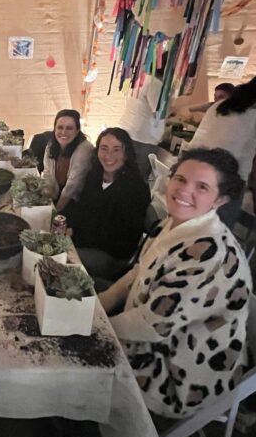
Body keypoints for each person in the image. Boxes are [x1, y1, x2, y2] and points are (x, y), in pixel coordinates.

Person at [99, 148, 251, 419]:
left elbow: (153, 325)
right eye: (180, 179)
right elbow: (137, 272)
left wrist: (94, 326)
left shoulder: (209, 252)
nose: (183, 190)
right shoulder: (172, 224)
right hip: (152, 333)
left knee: (71, 355)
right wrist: (99, 305)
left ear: (220, 200)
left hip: (176, 371)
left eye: (201, 187)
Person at [187, 70, 256, 231]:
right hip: (223, 185)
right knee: (207, 239)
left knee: (181, 232)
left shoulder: (221, 105)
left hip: (188, 174)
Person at [64, 128, 150, 289]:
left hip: (111, 257)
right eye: (104, 149)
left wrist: (75, 235)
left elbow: (122, 240)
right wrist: (69, 226)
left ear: (126, 154)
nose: (109, 156)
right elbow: (82, 208)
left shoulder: (136, 188)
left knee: (57, 258)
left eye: (117, 150)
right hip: (85, 241)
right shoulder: (95, 175)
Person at [42, 109, 95, 213]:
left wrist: (55, 213)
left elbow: (72, 186)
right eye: (60, 127)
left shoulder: (85, 149)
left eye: (69, 128)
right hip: (57, 194)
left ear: (77, 131)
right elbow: (47, 174)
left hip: (76, 202)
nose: (63, 132)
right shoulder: (51, 145)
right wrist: (45, 201)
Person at [118, 75, 167, 179]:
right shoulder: (154, 83)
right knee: (137, 178)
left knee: (123, 175)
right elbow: (158, 113)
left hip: (129, 131)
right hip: (143, 138)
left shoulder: (139, 77)